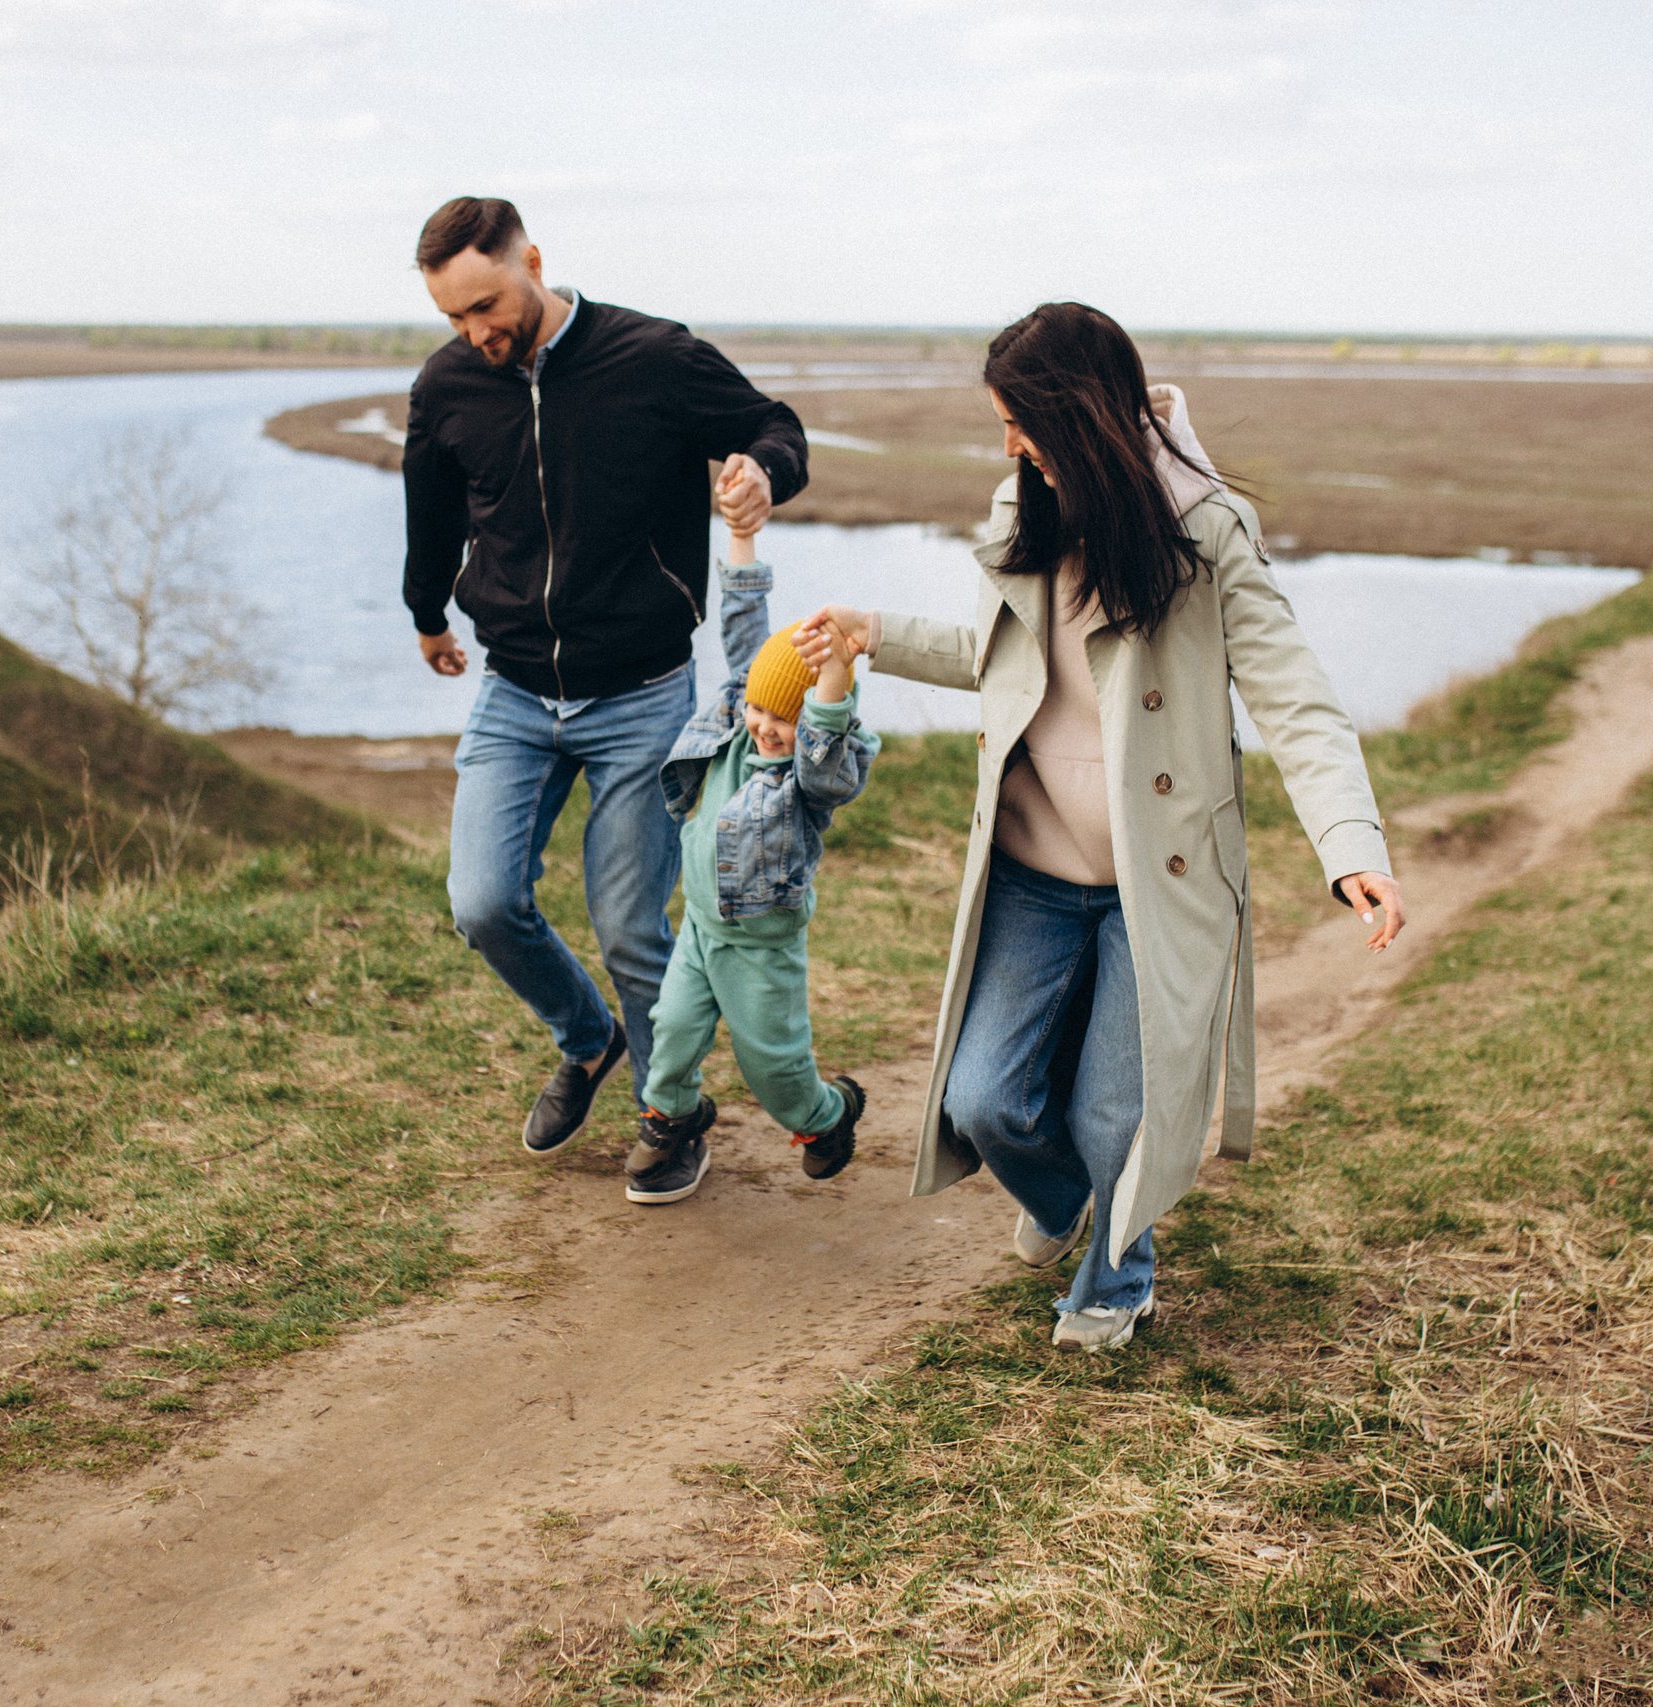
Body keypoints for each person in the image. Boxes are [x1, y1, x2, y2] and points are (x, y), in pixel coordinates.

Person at [794, 302, 1406, 1352]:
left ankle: (1118, 1277)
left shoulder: (1206, 531)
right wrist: (874, 633)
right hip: (1032, 871)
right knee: (984, 1101)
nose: (1008, 447)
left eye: (1018, 423)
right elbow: (1000, 659)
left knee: (1113, 1115)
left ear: (1075, 415)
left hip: (1156, 882)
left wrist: (1352, 847)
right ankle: (1072, 1199)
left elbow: (1296, 700)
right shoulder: (1024, 504)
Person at [401, 196, 810, 1155]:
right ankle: (590, 1039)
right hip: (513, 689)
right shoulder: (448, 384)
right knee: (482, 903)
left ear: (533, 262)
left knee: (630, 927)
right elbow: (431, 512)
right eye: (455, 316)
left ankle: (672, 1114)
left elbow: (773, 424)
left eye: (488, 304)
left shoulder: (653, 357)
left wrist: (763, 469)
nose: (476, 332)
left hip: (642, 694)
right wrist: (427, 615)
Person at [627, 502, 879, 1205]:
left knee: (774, 1069)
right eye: (759, 711)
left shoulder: (809, 780)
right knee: (671, 1028)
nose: (766, 728)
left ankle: (826, 1116)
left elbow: (823, 738)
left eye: (784, 720)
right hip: (701, 928)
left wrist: (834, 672)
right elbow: (744, 625)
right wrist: (742, 536)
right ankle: (671, 1115)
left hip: (761, 948)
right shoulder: (740, 720)